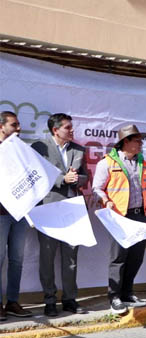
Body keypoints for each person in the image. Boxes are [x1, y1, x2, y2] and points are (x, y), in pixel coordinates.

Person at [30, 113, 89, 317]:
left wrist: (76, 179)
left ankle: (70, 299)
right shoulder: (39, 147)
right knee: (47, 257)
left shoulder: (79, 149)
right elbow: (36, 174)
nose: (72, 130)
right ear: (56, 130)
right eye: (67, 127)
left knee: (70, 258)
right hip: (48, 209)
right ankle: (49, 300)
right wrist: (62, 179)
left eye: (71, 127)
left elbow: (85, 178)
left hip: (73, 211)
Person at [92, 124, 146, 314]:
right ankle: (115, 297)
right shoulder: (107, 163)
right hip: (119, 217)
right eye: (137, 140)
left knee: (136, 257)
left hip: (139, 216)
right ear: (125, 142)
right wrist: (106, 201)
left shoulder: (143, 163)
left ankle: (127, 292)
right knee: (119, 257)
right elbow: (97, 188)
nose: (141, 143)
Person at [0, 111, 33, 321]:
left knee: (17, 259)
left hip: (20, 212)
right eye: (14, 125)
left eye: (19, 125)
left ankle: (12, 301)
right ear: (1, 127)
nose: (19, 129)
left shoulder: (22, 150)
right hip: (0, 214)